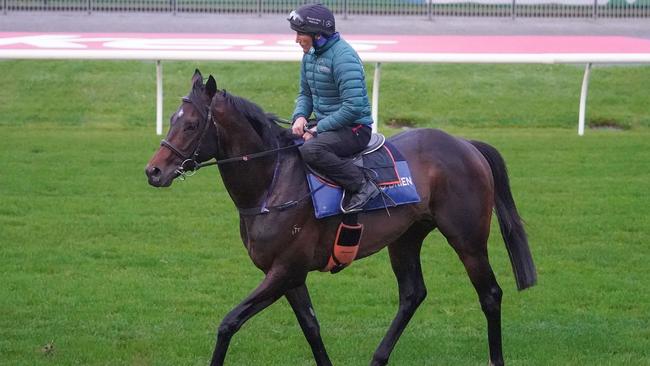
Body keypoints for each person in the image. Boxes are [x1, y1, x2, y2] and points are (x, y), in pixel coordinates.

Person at [287, 3, 379, 213]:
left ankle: (363, 185)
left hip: (355, 129)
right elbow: (306, 94)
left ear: (317, 34)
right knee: (284, 140)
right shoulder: (310, 55)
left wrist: (319, 128)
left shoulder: (343, 57)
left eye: (300, 33)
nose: (296, 39)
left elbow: (353, 107)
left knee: (312, 149)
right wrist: (300, 116)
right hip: (328, 124)